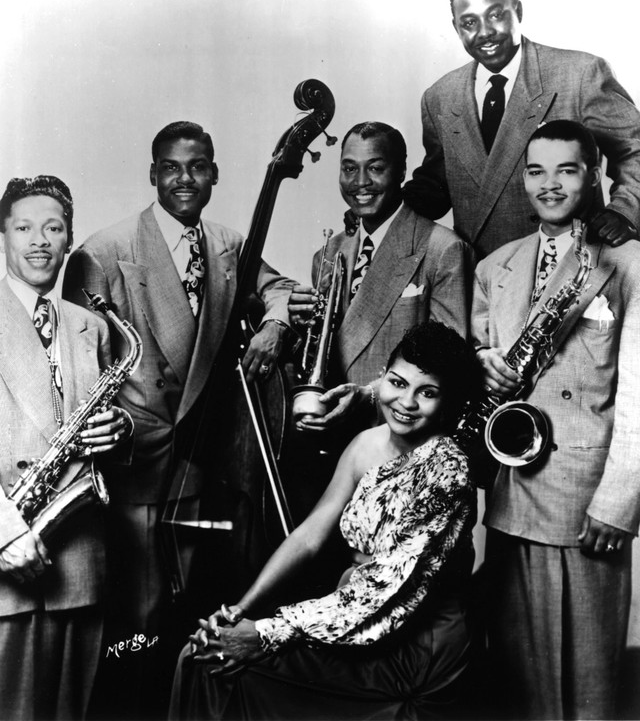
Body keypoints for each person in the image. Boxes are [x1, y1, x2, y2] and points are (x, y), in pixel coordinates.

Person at [62, 121, 296, 719]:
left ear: (214, 174)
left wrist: (273, 325)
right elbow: (79, 370)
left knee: (192, 609)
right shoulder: (102, 252)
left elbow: (281, 289)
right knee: (137, 621)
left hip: (206, 457)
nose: (184, 179)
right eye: (171, 167)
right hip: (140, 462)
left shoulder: (228, 244)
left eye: (197, 167)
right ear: (153, 174)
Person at [169, 321, 480, 720]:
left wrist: (265, 633)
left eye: (428, 392)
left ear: (447, 402)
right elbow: (309, 537)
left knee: (219, 668)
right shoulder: (366, 443)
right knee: (203, 653)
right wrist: (240, 610)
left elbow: (385, 591)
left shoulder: (448, 470)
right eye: (398, 383)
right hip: (349, 613)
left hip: (413, 646)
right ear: (382, 377)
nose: (407, 402)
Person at [472, 120, 640, 719]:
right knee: (519, 685)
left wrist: (618, 503)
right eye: (537, 171)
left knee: (587, 688)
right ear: (522, 179)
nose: (550, 184)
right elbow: (479, 355)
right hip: (512, 495)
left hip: (584, 502)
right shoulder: (495, 266)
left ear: (595, 175)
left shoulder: (629, 263)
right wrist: (482, 364)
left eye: (567, 170)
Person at [0, 175, 131, 720]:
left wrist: (120, 428)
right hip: (8, 559)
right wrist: (4, 532)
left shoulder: (90, 327)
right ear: (2, 236)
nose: (39, 241)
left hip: (79, 566)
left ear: (70, 239)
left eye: (53, 228)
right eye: (24, 228)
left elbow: (105, 419)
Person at [402, 0, 640, 258]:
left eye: (495, 15)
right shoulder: (439, 96)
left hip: (568, 264)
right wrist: (380, 204)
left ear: (518, 11)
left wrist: (624, 211)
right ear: (456, 27)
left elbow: (634, 150)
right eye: (469, 22)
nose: (485, 32)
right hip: (478, 273)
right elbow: (437, 187)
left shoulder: (580, 74)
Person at [288, 121, 472, 432]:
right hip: (329, 430)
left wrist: (371, 395)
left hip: (397, 432)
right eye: (349, 169)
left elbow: (446, 364)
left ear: (401, 172)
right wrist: (300, 325)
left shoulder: (444, 249)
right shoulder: (328, 254)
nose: (360, 182)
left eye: (375, 168)